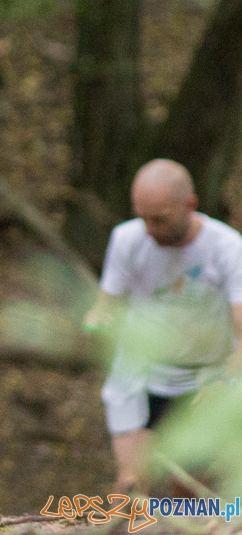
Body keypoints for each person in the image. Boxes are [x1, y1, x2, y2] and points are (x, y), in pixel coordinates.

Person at [83, 159, 242, 492]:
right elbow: (103, 307)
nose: (150, 229)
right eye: (142, 218)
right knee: (131, 482)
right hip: (141, 375)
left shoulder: (227, 249)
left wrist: (226, 380)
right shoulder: (127, 239)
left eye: (160, 219)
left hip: (202, 379)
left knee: (186, 487)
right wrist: (95, 322)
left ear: (190, 206)